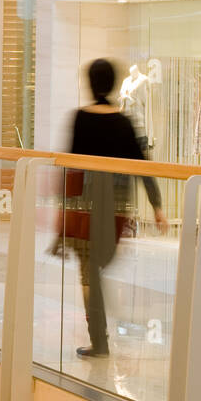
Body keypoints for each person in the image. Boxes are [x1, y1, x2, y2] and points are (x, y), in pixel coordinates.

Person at [56, 58, 166, 358]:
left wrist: (61, 207)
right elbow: (142, 167)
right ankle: (100, 333)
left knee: (89, 273)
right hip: (116, 210)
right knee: (97, 268)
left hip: (85, 209)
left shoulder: (80, 118)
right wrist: (157, 206)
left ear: (90, 83)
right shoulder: (124, 122)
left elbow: (70, 168)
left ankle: (99, 338)